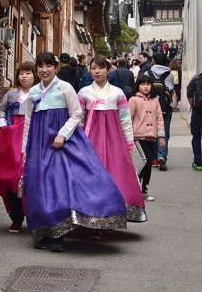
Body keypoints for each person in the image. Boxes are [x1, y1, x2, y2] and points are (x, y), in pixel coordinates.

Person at [22, 51, 127, 253]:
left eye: (48, 66)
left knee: (58, 184)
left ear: (56, 67)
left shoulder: (65, 88)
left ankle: (58, 234)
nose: (44, 70)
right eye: (40, 66)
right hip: (38, 145)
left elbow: (76, 114)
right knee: (39, 185)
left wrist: (62, 135)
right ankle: (42, 231)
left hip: (60, 143)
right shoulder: (33, 92)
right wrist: (24, 149)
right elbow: (28, 121)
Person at [78, 55, 146, 224]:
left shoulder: (118, 93)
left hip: (113, 139)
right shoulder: (84, 92)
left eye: (100, 68)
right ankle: (89, 214)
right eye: (93, 68)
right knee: (91, 174)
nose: (96, 71)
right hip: (90, 138)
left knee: (114, 173)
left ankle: (111, 212)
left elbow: (125, 119)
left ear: (108, 71)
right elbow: (78, 119)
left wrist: (129, 142)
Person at [0, 62, 36, 233]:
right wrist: (2, 126)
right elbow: (1, 111)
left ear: (34, 75)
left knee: (29, 176)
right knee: (12, 177)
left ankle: (33, 215)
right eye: (21, 73)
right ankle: (16, 217)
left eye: (28, 73)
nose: (24, 76)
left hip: (31, 134)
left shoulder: (39, 94)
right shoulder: (11, 94)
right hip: (12, 137)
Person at [129, 76, 166, 201]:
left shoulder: (155, 100)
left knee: (149, 164)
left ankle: (144, 190)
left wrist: (161, 136)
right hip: (138, 135)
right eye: (142, 84)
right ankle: (133, 183)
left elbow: (159, 118)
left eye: (148, 84)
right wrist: (127, 136)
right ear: (138, 85)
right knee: (146, 160)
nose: (146, 87)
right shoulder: (134, 100)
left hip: (152, 136)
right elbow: (128, 118)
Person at [148, 51, 175, 170]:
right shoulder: (170, 75)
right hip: (165, 107)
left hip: (150, 108)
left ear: (154, 61)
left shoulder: (147, 73)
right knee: (165, 133)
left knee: (152, 133)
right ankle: (162, 156)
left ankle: (153, 159)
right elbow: (171, 89)